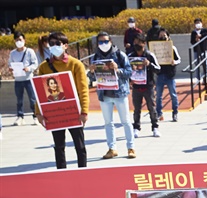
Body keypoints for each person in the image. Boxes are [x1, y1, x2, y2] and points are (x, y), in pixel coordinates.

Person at [36, 31, 88, 169]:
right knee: (59, 146)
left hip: (73, 110)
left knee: (80, 145)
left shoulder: (76, 64)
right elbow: (39, 92)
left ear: (65, 46)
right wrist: (38, 113)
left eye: (57, 44)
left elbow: (83, 89)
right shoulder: (44, 67)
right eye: (51, 44)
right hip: (54, 112)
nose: (54, 46)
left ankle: (83, 172)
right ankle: (61, 173)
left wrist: (84, 112)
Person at [90, 32, 136, 159]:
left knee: (126, 121)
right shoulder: (95, 57)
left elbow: (128, 72)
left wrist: (117, 69)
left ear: (110, 41)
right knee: (108, 122)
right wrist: (92, 71)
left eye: (105, 41)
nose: (103, 44)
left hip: (119, 93)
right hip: (104, 94)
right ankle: (112, 148)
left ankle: (131, 147)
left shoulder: (120, 54)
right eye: (100, 42)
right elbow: (92, 77)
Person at [127, 33, 161, 138]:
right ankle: (136, 128)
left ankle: (155, 127)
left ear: (144, 44)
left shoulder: (150, 55)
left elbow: (158, 69)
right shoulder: (130, 56)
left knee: (152, 107)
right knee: (137, 109)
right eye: (135, 42)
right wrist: (129, 80)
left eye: (139, 42)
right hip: (136, 86)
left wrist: (149, 64)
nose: (136, 44)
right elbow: (126, 70)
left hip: (148, 86)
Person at [9, 31, 38, 126]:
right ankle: (20, 116)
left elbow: (35, 63)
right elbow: (10, 63)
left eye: (20, 40)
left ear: (24, 40)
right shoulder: (12, 53)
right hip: (18, 79)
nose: (19, 42)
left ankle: (35, 116)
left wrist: (28, 68)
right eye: (17, 40)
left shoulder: (29, 51)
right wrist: (11, 69)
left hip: (28, 78)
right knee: (19, 99)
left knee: (32, 99)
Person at [155, 28, 181, 122]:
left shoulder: (172, 48)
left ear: (168, 36)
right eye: (160, 36)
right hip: (160, 74)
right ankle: (159, 113)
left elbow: (179, 59)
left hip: (170, 74)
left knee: (173, 95)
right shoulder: (155, 48)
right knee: (158, 95)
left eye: (164, 36)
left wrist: (175, 62)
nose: (162, 37)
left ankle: (175, 113)